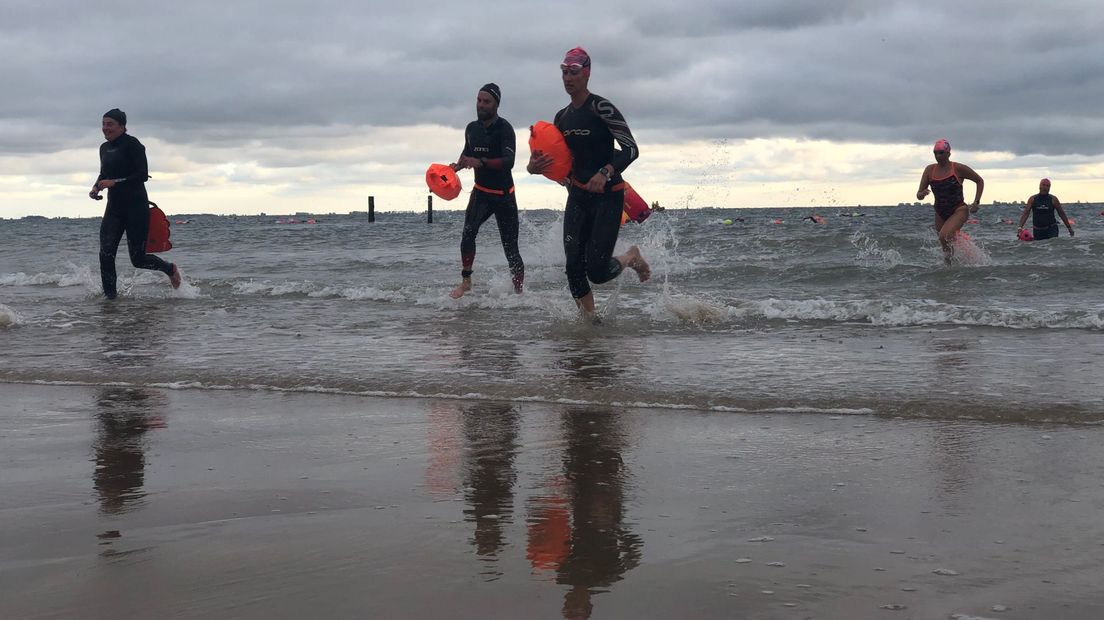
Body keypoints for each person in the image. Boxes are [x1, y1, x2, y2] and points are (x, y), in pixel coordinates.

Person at [527, 47, 650, 318]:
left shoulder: (601, 108)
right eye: (564, 72)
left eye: (573, 72)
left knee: (596, 271)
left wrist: (605, 172)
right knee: (572, 267)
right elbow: (561, 163)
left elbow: (631, 149)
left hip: (608, 195)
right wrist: (534, 168)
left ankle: (630, 257)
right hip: (578, 197)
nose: (567, 78)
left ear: (587, 73)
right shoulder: (561, 117)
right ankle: (590, 322)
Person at [90, 109, 180, 299]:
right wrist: (96, 187)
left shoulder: (133, 145)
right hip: (114, 209)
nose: (105, 128)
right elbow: (104, 173)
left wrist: (115, 182)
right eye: (104, 124)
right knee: (105, 254)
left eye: (110, 124)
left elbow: (142, 175)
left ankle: (169, 269)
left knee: (138, 259)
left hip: (136, 208)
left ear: (122, 127)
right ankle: (110, 299)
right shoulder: (103, 149)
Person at [448, 83, 524, 299]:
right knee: (468, 233)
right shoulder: (471, 129)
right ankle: (466, 282)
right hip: (481, 193)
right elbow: (466, 155)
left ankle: (519, 293)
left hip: (504, 196)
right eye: (479, 100)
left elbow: (509, 161)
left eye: (486, 101)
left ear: (496, 104)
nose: (481, 105)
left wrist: (479, 161)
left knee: (511, 249)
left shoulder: (505, 129)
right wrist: (455, 167)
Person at [915, 139, 984, 261]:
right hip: (940, 212)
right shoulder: (929, 170)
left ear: (948, 153)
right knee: (946, 246)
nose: (938, 156)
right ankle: (952, 269)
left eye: (941, 153)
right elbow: (919, 195)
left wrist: (976, 202)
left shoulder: (957, 168)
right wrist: (922, 193)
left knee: (944, 236)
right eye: (935, 153)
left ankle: (965, 260)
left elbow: (979, 180)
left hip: (958, 210)